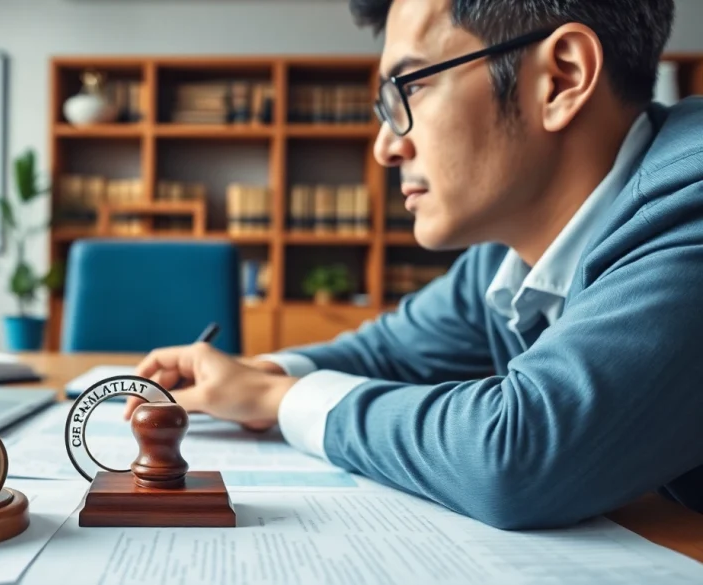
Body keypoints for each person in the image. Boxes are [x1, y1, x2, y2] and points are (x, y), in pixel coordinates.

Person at [125, 0, 703, 530]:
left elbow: (517, 455)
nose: (384, 145)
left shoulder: (692, 199)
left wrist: (275, 400)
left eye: (412, 87)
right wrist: (258, 373)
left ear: (561, 79)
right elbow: (388, 353)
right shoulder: (509, 255)